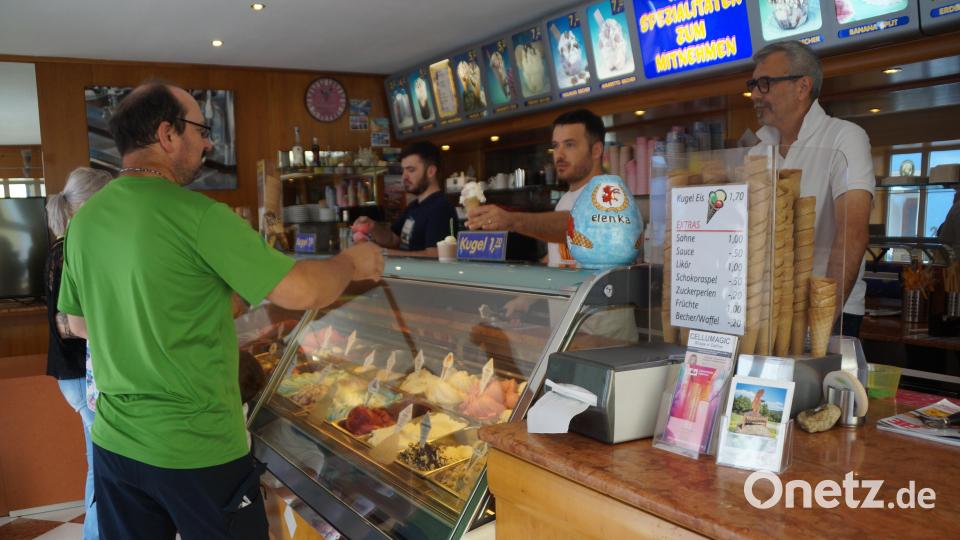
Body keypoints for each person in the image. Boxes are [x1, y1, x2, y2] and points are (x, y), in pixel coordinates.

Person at [58, 81, 383, 539]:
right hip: (198, 448)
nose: (209, 141)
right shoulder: (199, 215)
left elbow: (79, 323)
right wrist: (351, 261)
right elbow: (303, 291)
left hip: (117, 445)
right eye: (202, 128)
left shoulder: (85, 221)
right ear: (167, 134)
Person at [467, 109, 637, 341]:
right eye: (556, 146)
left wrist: (512, 220)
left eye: (569, 145)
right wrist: (525, 300)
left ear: (596, 150)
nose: (559, 154)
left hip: (602, 338)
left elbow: (578, 226)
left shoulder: (609, 194)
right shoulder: (566, 200)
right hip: (568, 332)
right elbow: (557, 259)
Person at [749, 41, 874, 338]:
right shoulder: (756, 152)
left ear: (802, 87)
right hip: (766, 315)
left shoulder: (844, 138)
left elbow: (852, 234)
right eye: (753, 84)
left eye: (764, 84)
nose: (754, 94)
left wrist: (819, 322)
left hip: (828, 312)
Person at [45, 166, 112, 540]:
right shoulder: (71, 250)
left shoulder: (62, 246)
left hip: (71, 374)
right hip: (78, 373)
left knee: (98, 463)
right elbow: (65, 325)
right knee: (102, 467)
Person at [353, 141, 458, 256]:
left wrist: (383, 253)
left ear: (431, 171)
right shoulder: (414, 206)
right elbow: (393, 239)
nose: (404, 176)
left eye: (411, 170)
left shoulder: (440, 208)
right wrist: (372, 226)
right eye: (403, 170)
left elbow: (436, 255)